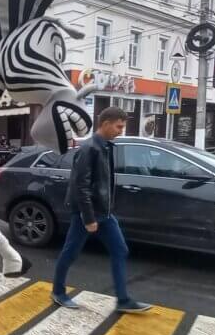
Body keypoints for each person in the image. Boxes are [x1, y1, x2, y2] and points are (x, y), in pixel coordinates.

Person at [51, 106, 152, 313]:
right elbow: (81, 186)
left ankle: (123, 300)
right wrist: (88, 218)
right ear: (105, 124)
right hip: (87, 214)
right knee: (71, 252)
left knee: (120, 250)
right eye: (118, 126)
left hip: (104, 213)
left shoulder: (105, 146)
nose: (121, 131)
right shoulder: (90, 149)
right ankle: (58, 292)